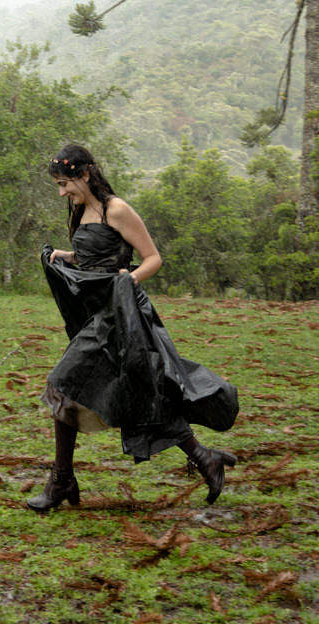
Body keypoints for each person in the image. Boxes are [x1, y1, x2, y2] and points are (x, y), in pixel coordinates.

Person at [27, 143, 239, 512]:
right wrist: (65, 256)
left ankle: (61, 481)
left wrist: (131, 281)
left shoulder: (117, 209)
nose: (62, 193)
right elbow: (96, 257)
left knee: (65, 384)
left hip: (121, 316)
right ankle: (205, 458)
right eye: (58, 186)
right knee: (131, 393)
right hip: (100, 315)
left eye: (66, 184)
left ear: (86, 174)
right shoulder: (82, 209)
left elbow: (152, 258)